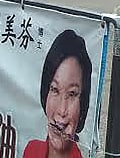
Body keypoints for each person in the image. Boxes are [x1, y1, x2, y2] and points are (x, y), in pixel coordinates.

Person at [23, 29, 93, 158]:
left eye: (72, 94)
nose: (62, 111)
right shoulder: (32, 150)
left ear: (83, 104)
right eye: (54, 90)